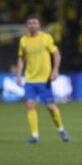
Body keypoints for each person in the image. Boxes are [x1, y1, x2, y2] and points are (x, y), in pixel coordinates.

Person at [16, 15, 70, 144]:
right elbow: (21, 58)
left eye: (34, 22)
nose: (32, 25)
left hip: (44, 79)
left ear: (39, 25)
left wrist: (55, 69)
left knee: (50, 107)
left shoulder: (46, 38)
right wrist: (18, 75)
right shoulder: (24, 40)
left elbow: (56, 54)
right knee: (30, 105)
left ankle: (61, 129)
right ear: (27, 25)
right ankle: (34, 136)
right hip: (30, 79)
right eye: (30, 23)